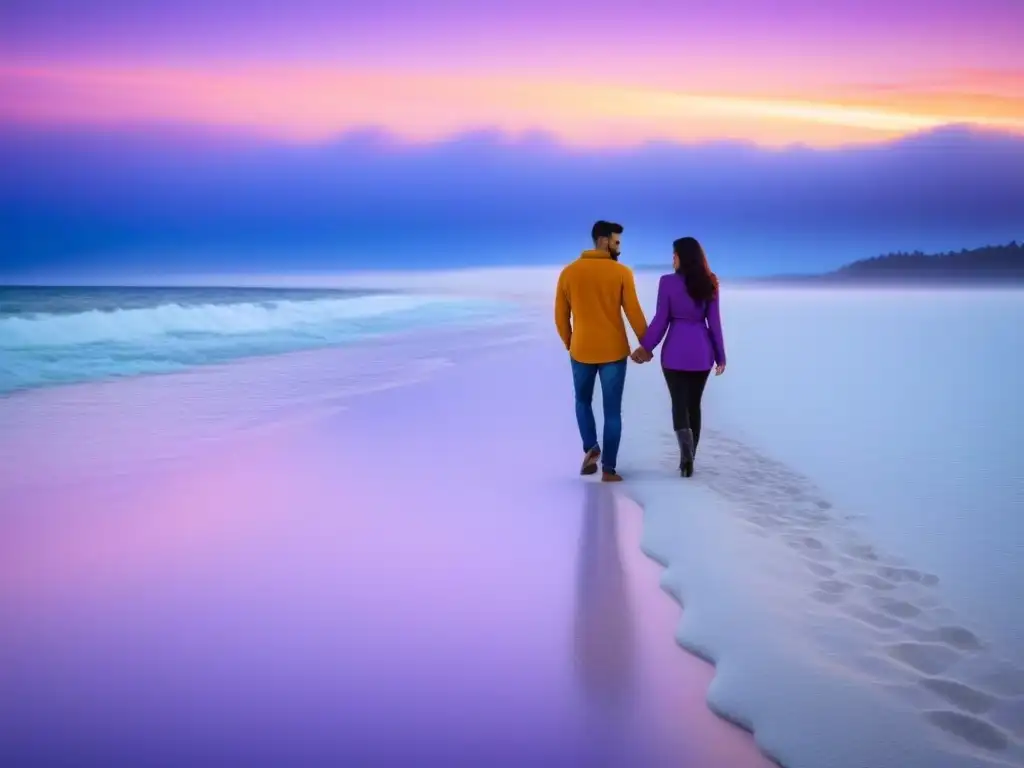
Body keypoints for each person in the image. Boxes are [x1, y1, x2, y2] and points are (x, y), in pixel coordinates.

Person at [555, 221, 648, 482]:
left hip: (581, 349)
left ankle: (591, 447)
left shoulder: (568, 273)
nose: (619, 247)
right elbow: (634, 312)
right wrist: (646, 344)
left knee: (582, 401)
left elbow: (560, 317)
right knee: (612, 412)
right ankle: (608, 470)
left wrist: (570, 342)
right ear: (604, 241)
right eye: (617, 242)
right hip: (614, 353)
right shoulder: (622, 273)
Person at [631, 237, 726, 477]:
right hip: (702, 354)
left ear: (682, 257)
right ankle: (690, 458)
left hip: (674, 353)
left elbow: (661, 319)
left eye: (674, 255)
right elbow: (714, 324)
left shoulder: (667, 283)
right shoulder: (710, 283)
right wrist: (721, 356)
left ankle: (685, 457)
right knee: (694, 405)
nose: (672, 259)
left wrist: (645, 348)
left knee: (679, 404)